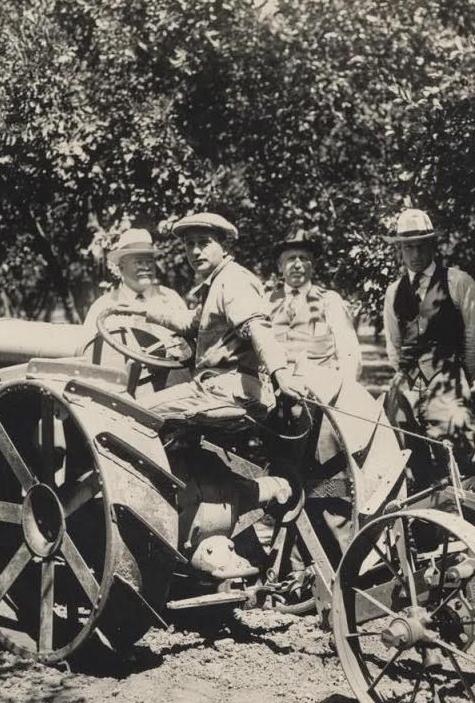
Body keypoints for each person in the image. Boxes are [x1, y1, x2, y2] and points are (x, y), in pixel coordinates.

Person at [111, 212, 310, 578]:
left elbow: (257, 328)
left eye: (204, 243)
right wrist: (139, 310)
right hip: (220, 388)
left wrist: (281, 375)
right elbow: (189, 324)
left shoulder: (232, 282)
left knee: (124, 414)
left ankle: (144, 516)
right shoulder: (214, 284)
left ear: (224, 245)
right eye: (188, 245)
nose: (195, 251)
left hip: (224, 389)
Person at [381, 208, 475, 476]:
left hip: (447, 381)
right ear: (400, 250)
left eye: (421, 246)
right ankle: (415, 517)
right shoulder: (394, 291)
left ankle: (456, 515)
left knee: (454, 455)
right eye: (408, 248)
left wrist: (461, 377)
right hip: (406, 386)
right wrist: (404, 375)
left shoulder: (457, 282)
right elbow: (393, 342)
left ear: (433, 246)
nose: (415, 254)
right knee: (405, 460)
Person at [83, 227, 187, 367]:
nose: (146, 267)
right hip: (119, 384)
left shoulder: (170, 299)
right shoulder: (103, 306)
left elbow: (188, 347)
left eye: (150, 261)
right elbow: (87, 354)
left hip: (170, 382)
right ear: (121, 268)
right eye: (139, 262)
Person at [267, 231, 362, 381]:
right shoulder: (266, 301)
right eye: (291, 259)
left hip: (318, 390)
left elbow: (350, 353)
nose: (297, 265)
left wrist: (341, 389)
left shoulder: (330, 301)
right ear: (280, 266)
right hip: (273, 389)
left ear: (313, 265)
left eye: (303, 258)